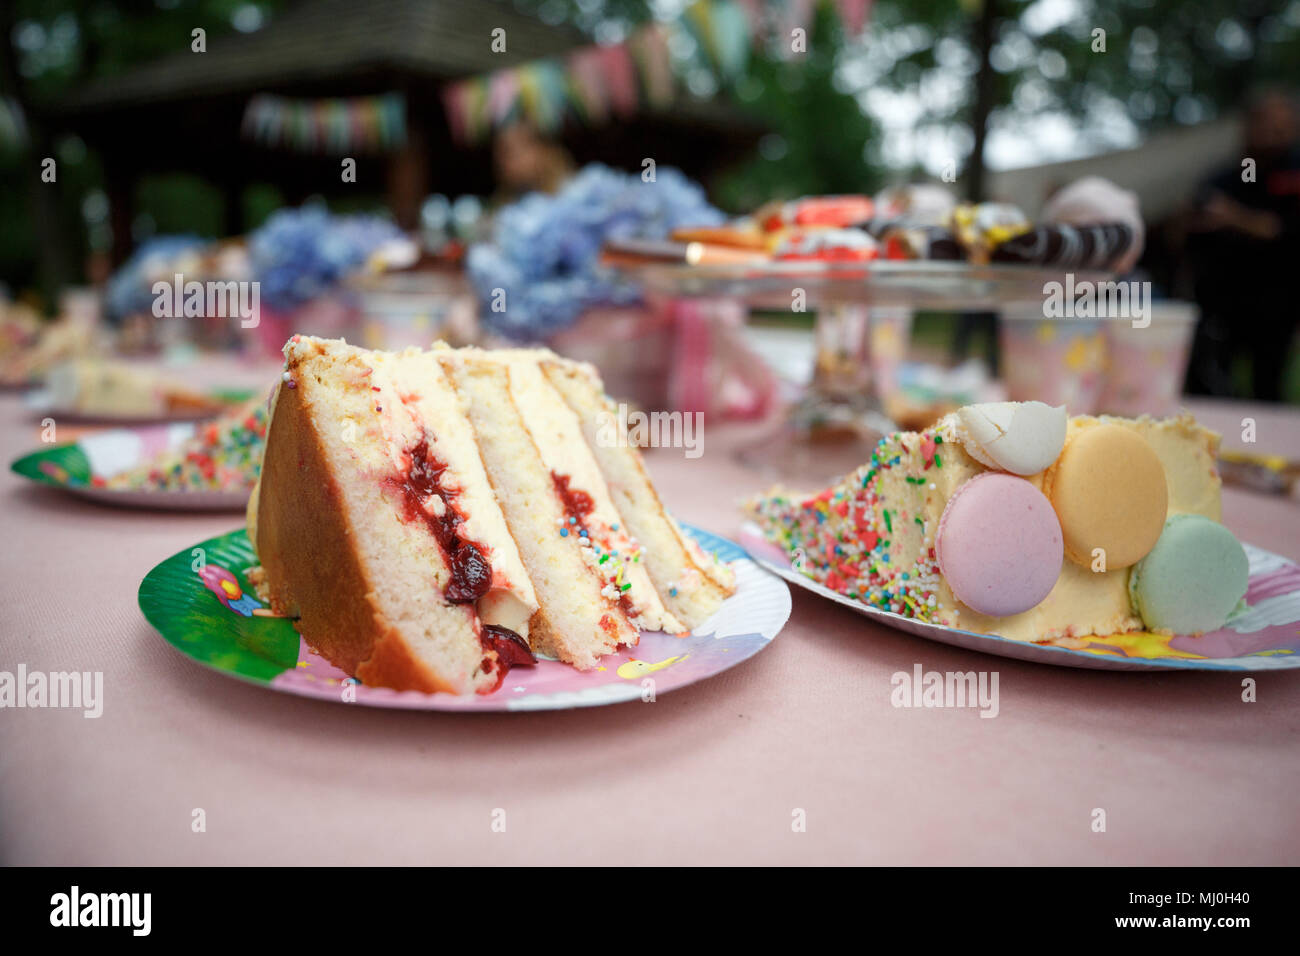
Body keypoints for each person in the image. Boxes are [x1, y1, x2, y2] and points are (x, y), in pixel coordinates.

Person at [1185, 88, 1300, 401]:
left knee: (1268, 385)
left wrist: (1235, 218)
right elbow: (1191, 231)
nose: (1276, 131)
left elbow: (1281, 230)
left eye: (1283, 123)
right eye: (1267, 121)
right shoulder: (1223, 177)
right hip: (1222, 304)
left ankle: (1266, 448)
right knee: (1210, 385)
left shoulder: (1293, 175)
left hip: (1278, 304)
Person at [491, 121, 575, 203]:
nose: (502, 165)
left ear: (541, 148)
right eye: (499, 157)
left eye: (511, 153)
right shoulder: (506, 209)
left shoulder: (577, 193)